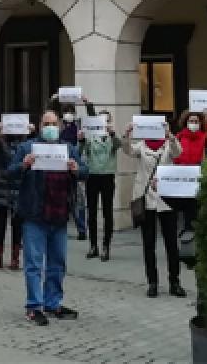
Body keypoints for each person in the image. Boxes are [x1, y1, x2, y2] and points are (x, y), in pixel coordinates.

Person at [8, 110, 89, 325]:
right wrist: (23, 165)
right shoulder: (27, 147)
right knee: (34, 264)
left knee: (57, 262)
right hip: (35, 214)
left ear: (60, 126)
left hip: (60, 214)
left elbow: (85, 171)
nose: (50, 127)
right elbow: (10, 172)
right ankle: (34, 306)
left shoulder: (68, 148)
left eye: (54, 123)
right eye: (46, 123)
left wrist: (76, 169)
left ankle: (53, 303)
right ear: (40, 126)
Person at [123, 120, 184, 298]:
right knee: (148, 244)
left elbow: (178, 152)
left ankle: (175, 281)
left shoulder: (168, 145)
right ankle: (153, 282)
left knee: (171, 244)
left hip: (167, 200)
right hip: (146, 200)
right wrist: (127, 134)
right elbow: (127, 150)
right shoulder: (141, 146)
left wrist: (170, 136)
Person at [0, 120, 31, 270]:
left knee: (17, 225)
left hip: (19, 188)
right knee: (0, 224)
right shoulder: (0, 142)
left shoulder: (25, 145)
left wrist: (33, 132)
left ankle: (15, 257)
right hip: (2, 188)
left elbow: (38, 148)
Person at [78, 110, 120, 260]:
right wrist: (81, 140)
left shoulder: (112, 136)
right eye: (101, 120)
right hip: (93, 176)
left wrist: (113, 133)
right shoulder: (90, 135)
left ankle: (106, 246)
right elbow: (79, 152)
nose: (104, 123)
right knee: (92, 212)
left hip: (108, 175)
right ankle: (93, 245)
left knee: (107, 212)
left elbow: (119, 145)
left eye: (107, 120)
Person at [57, 99, 93, 240]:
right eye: (66, 112)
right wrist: (53, 100)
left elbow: (93, 121)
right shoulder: (58, 126)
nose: (68, 115)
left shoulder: (79, 125)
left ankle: (82, 229)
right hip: (60, 164)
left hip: (74, 162)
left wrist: (87, 104)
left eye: (70, 112)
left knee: (78, 200)